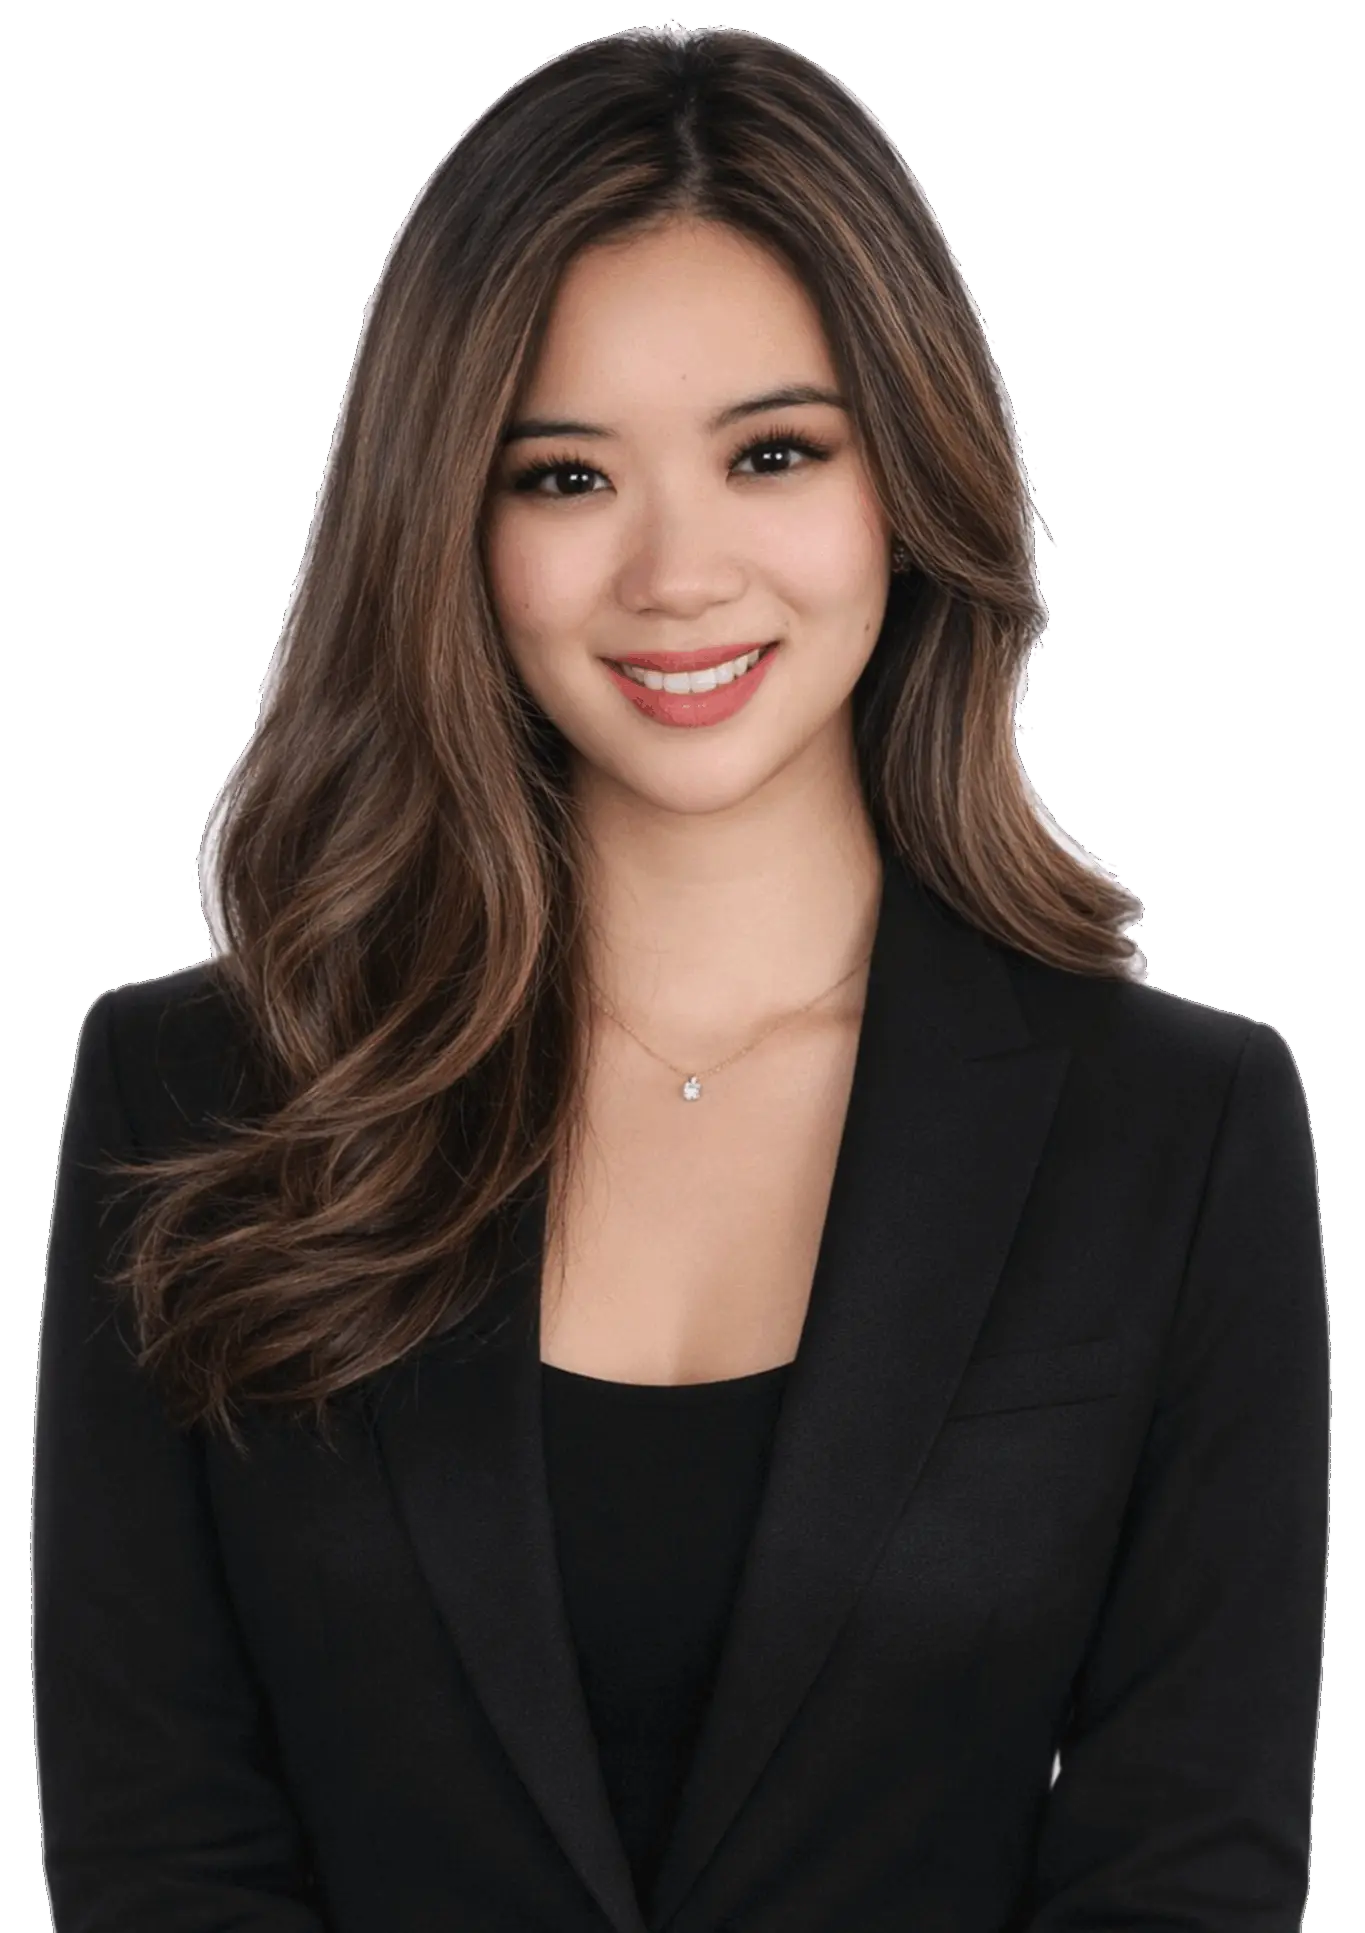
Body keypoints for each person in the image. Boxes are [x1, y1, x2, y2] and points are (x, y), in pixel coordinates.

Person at [33, 26, 1327, 1933]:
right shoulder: (200, 1100)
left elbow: (1185, 1870)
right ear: (449, 528)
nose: (676, 572)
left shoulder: (1178, 1131)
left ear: (908, 481)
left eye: (773, 452)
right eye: (563, 476)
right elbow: (163, 1860)